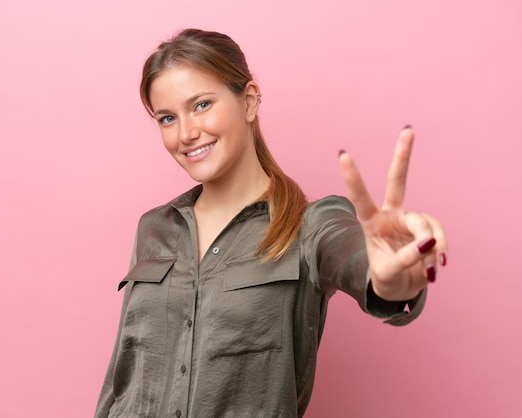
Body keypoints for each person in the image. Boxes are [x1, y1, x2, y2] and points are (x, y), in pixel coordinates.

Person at [94, 28, 448, 418]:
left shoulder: (311, 224)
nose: (186, 134)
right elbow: (120, 377)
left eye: (201, 105)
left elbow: (354, 257)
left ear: (248, 101)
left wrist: (388, 280)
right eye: (166, 118)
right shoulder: (155, 228)